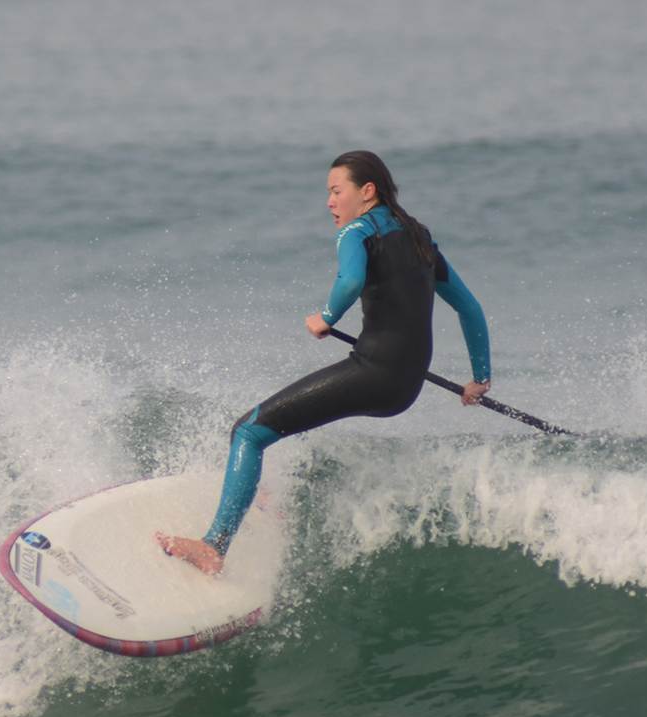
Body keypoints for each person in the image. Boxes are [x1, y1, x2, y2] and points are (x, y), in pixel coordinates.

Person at [157, 150, 492, 575]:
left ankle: (214, 547)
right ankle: (256, 494)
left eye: (337, 191)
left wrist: (326, 318)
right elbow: (469, 308)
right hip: (406, 386)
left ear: (367, 191)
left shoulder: (357, 230)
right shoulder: (420, 237)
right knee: (290, 417)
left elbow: (350, 280)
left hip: (373, 373)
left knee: (248, 432)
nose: (330, 202)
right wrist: (479, 379)